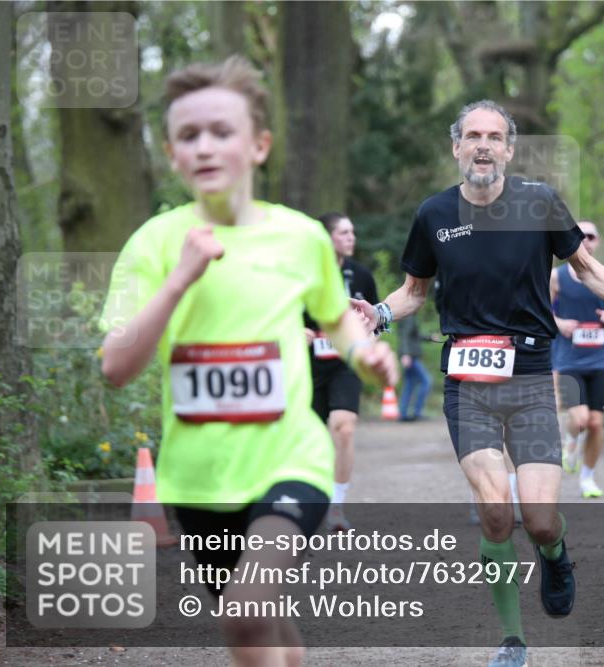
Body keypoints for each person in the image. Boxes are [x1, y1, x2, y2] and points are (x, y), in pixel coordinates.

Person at [98, 57, 396, 667]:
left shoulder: (300, 237)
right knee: (261, 624)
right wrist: (181, 277)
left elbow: (333, 314)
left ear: (258, 145)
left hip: (291, 460)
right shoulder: (153, 244)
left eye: (222, 131)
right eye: (188, 135)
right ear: (172, 152)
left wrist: (366, 355)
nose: (205, 146)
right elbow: (117, 367)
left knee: (247, 610)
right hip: (197, 482)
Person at [352, 100, 604, 667]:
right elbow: (414, 291)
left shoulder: (537, 201)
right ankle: (512, 639)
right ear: (457, 147)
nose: (484, 144)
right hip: (469, 386)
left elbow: (583, 266)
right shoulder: (434, 214)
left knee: (538, 521)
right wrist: (380, 315)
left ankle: (555, 553)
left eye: (494, 136)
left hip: (534, 378)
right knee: (495, 512)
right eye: (473, 136)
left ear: (509, 149)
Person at [304, 212, 379, 531]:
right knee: (312, 437)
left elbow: (377, 321)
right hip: (306, 365)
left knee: (344, 427)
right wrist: (297, 332)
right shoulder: (302, 274)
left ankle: (336, 506)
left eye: (353, 232)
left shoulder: (360, 276)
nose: (352, 238)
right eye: (344, 233)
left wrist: (368, 341)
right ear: (326, 237)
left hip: (345, 363)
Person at [551, 221, 604, 498]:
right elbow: (542, 311)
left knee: (596, 423)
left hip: (600, 358)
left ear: (597, 241)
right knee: (579, 419)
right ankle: (570, 440)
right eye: (579, 236)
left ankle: (588, 478)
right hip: (568, 359)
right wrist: (559, 323)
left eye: (590, 236)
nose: (585, 241)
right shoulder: (557, 277)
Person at [396, 316, 432, 421]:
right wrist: (406, 353)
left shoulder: (407, 315)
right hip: (410, 356)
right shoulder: (408, 316)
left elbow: (414, 336)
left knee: (409, 384)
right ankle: (416, 412)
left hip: (410, 355)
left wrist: (429, 338)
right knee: (427, 381)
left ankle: (403, 413)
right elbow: (404, 336)